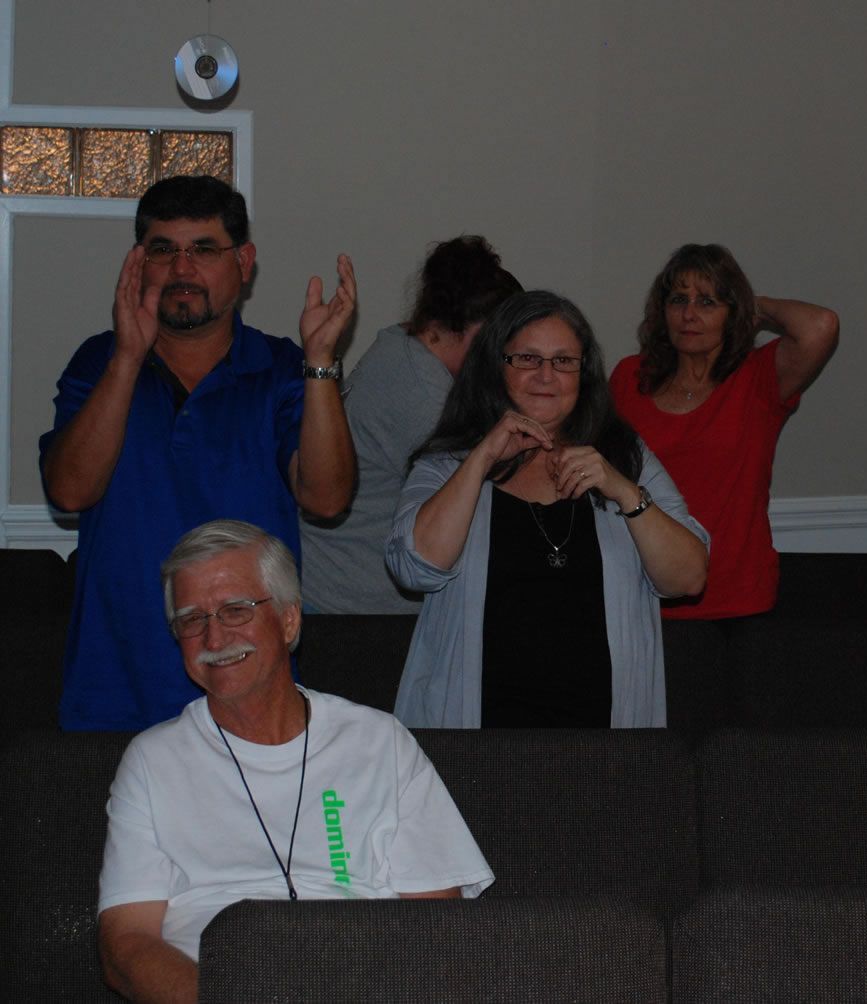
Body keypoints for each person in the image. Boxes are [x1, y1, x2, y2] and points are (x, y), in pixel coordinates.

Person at [97, 520, 493, 1002]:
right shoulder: (152, 761)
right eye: (192, 619)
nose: (215, 639)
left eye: (235, 610)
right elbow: (126, 946)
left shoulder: (379, 742)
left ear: (289, 621)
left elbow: (440, 925)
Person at [39, 175, 357, 731]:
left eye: (204, 249)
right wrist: (127, 358)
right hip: (115, 685)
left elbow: (327, 498)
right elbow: (68, 492)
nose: (182, 270)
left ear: (244, 261)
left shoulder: (282, 368)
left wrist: (322, 361)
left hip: (248, 685)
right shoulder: (99, 361)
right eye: (163, 250)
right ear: (139, 264)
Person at [386, 290, 708, 727]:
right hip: (477, 737)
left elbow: (688, 578)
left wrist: (624, 491)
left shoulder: (625, 455)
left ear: (583, 374)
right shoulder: (448, 463)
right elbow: (415, 566)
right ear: (496, 368)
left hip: (604, 738)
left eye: (563, 361)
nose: (546, 375)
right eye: (527, 359)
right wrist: (480, 459)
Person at [610, 244, 838, 619]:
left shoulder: (757, 378)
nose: (689, 314)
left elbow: (821, 325)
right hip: (649, 590)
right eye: (678, 299)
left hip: (739, 599)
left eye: (708, 302)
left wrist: (752, 304)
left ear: (733, 313)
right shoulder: (629, 378)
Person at [301, 235, 523, 613]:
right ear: (478, 332)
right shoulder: (425, 393)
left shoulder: (398, 345)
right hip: (355, 613)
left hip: (335, 595)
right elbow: (497, 507)